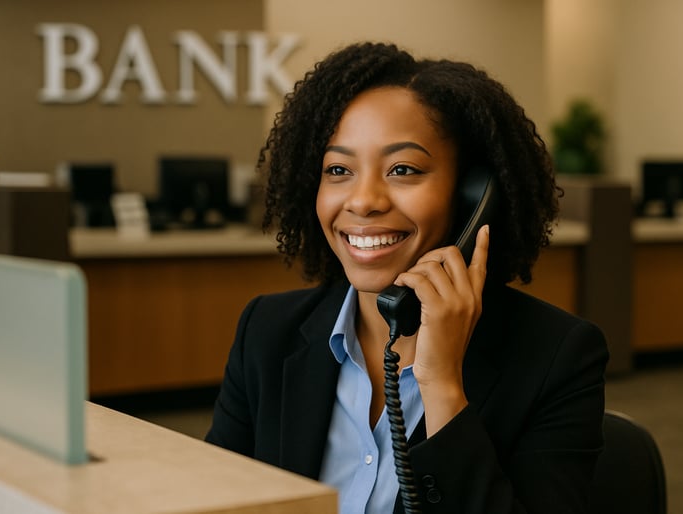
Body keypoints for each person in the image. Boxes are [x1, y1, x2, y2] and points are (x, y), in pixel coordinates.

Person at [205, 42, 609, 514]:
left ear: (473, 196)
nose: (363, 201)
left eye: (402, 169)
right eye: (338, 170)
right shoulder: (266, 332)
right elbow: (219, 500)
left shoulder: (557, 357)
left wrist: (441, 386)